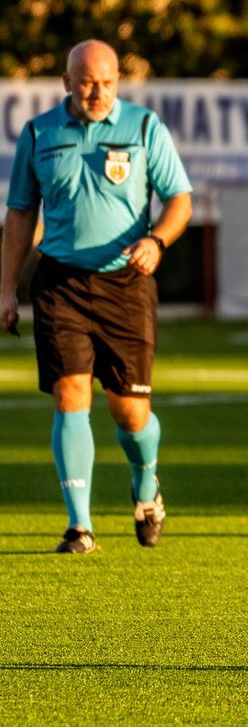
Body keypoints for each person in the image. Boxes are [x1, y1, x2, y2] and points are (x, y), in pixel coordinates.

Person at [0, 40, 193, 553]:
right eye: (87, 81)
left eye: (107, 82)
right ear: (66, 82)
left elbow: (180, 199)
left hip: (125, 285)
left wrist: (157, 240)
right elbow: (20, 212)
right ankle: (79, 526)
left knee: (129, 414)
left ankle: (146, 482)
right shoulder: (40, 133)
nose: (97, 92)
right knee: (70, 397)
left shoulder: (145, 128)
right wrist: (5, 288)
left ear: (118, 82)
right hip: (60, 283)